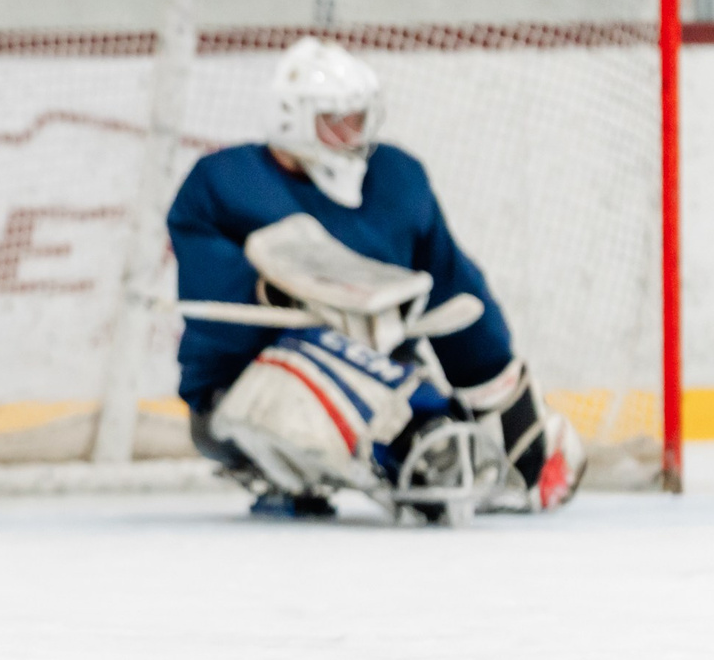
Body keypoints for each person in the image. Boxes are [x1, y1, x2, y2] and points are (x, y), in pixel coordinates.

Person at [167, 37, 582, 520]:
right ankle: (420, 446)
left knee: (444, 402)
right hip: (242, 386)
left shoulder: (395, 177)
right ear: (290, 119)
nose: (353, 133)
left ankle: (440, 436)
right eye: (335, 121)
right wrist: (291, 297)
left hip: (388, 375)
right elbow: (216, 315)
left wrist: (500, 397)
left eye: (359, 118)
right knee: (315, 356)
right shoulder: (223, 183)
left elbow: (451, 286)